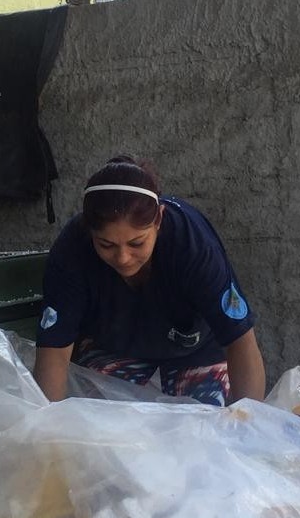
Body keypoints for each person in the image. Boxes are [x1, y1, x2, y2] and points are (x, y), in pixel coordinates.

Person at [33, 154, 265, 406]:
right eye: (106, 245)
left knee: (198, 430)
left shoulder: (191, 242)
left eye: (137, 243)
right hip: (113, 351)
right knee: (105, 429)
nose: (123, 258)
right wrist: (47, 430)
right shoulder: (72, 250)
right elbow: (54, 351)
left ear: (159, 220)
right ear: (88, 231)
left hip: (195, 352)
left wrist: (247, 426)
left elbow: (240, 340)